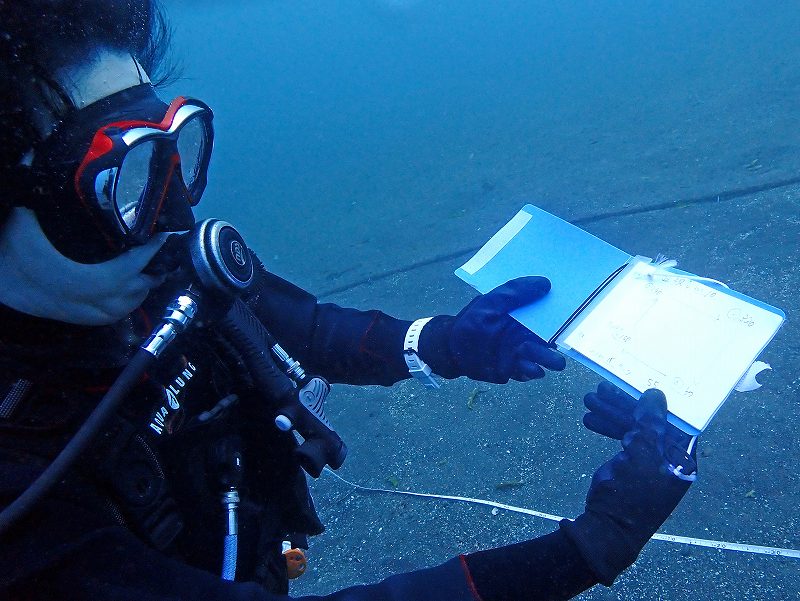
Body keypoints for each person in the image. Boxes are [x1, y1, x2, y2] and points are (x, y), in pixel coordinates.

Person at [0, 2, 698, 599]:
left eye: (172, 152)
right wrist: (589, 546)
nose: (177, 214)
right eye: (115, 183)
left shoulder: (150, 278)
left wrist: (447, 341)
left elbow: (300, 327)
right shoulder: (21, 496)